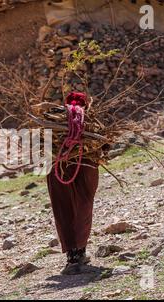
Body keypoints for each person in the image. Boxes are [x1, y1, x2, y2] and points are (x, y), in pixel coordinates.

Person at [47, 92, 99, 275]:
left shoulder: (51, 120)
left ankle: (72, 257)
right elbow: (104, 144)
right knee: (84, 205)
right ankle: (80, 251)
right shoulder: (94, 122)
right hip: (86, 164)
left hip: (57, 165)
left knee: (63, 208)